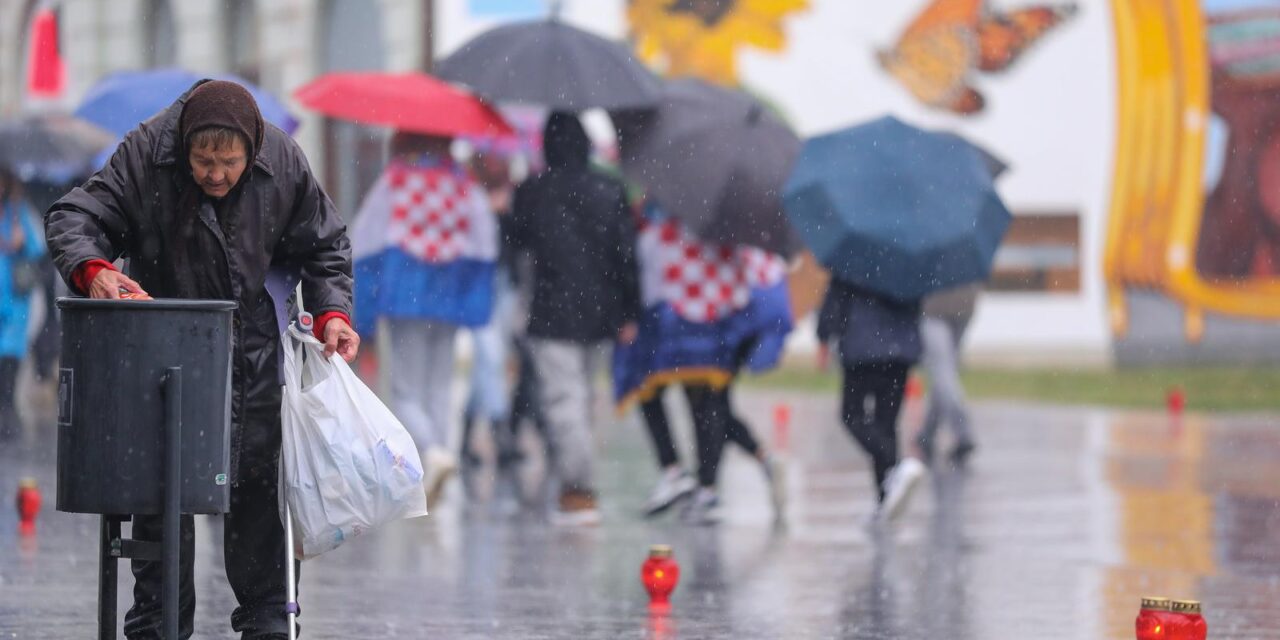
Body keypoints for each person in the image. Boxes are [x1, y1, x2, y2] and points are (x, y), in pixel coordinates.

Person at [44, 80, 358, 640]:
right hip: (160, 355)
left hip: (252, 354)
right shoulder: (146, 154)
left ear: (251, 152)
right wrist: (93, 269)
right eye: (204, 162)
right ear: (184, 147)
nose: (216, 175)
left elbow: (326, 246)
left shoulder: (282, 160)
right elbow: (73, 216)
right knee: (163, 499)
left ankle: (269, 622)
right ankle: (158, 625)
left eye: (229, 163)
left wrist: (333, 312)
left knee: (258, 495)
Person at [505, 112, 640, 526]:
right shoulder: (610, 189)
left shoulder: (533, 190)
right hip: (599, 314)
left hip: (551, 311)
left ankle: (579, 490)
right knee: (581, 399)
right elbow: (626, 256)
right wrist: (629, 311)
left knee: (564, 401)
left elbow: (514, 243)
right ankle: (576, 483)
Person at [615, 209, 791, 525]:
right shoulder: (733, 226)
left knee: (690, 402)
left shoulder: (664, 232)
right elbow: (757, 279)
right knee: (713, 407)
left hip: (686, 325)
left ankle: (689, 479)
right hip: (725, 326)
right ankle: (732, 473)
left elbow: (649, 278)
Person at [351, 132, 499, 508]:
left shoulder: (395, 181)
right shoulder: (464, 185)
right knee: (439, 385)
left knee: (405, 389)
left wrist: (364, 301)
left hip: (405, 297)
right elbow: (485, 242)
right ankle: (440, 457)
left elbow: (365, 239)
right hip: (449, 298)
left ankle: (431, 454)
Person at [817, 278, 926, 525]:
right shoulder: (905, 263)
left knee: (852, 415)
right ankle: (886, 497)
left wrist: (824, 336)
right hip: (899, 350)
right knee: (886, 424)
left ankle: (894, 471)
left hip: (862, 348)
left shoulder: (852, 260)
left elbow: (836, 299)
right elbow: (916, 301)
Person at [916, 283, 981, 466]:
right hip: (965, 301)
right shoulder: (967, 266)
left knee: (943, 372)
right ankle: (928, 431)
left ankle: (963, 433)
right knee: (945, 370)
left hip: (935, 306)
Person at [0, 170, 43, 440]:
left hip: (14, 297)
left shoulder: (18, 212)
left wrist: (22, 240)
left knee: (10, 357)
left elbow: (38, 248)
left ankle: (7, 410)